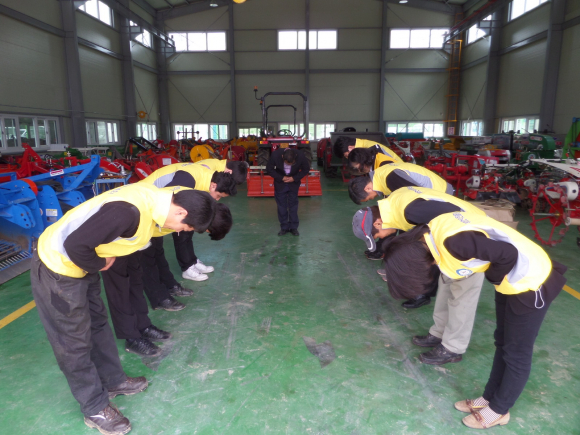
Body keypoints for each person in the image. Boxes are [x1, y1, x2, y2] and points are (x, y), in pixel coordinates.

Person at [31, 183, 216, 435]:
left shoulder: (158, 203)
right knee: (73, 342)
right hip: (58, 267)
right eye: (186, 227)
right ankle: (94, 407)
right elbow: (75, 246)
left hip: (82, 265)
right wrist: (100, 263)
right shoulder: (128, 211)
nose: (181, 231)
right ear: (181, 212)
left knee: (97, 324)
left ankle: (113, 380)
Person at [382, 212, 567, 429]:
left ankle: (499, 410)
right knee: (502, 342)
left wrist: (494, 277)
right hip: (511, 278)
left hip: (530, 281)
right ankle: (489, 398)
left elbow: (507, 254)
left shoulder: (453, 244)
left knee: (517, 353)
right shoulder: (432, 230)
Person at [352, 187, 487, 360]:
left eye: (377, 236)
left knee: (462, 294)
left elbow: (457, 217)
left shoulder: (411, 211)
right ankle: (439, 333)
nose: (381, 238)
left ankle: (453, 348)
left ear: (378, 223)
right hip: (450, 239)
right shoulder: (395, 207)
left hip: (470, 239)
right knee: (445, 284)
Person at [141, 163, 237, 281]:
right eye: (218, 195)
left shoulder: (205, 180)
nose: (216, 200)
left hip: (151, 206)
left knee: (187, 230)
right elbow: (163, 203)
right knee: (169, 240)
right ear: (213, 186)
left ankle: (191, 261)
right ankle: (187, 267)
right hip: (143, 203)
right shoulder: (187, 180)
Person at [140, 203, 233, 311]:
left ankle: (169, 285)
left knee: (158, 251)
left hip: (153, 220)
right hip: (143, 222)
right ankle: (158, 298)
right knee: (147, 260)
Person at [348, 162, 453, 204]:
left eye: (369, 199)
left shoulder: (390, 178)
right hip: (437, 190)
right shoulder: (380, 174)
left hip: (441, 194)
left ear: (367, 189)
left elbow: (417, 198)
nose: (372, 198)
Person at [266, 148, 311, 236]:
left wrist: (294, 178)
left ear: (295, 157)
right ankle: (284, 227)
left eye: (291, 163)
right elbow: (269, 169)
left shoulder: (300, 155)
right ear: (282, 156)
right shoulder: (275, 155)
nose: (289, 165)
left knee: (293, 206)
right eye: (287, 163)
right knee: (281, 206)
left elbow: (306, 169)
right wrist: (281, 178)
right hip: (280, 184)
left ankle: (294, 227)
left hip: (293, 184)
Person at [333, 136, 403, 163]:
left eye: (347, 156)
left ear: (350, 148)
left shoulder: (371, 150)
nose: (349, 158)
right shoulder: (364, 146)